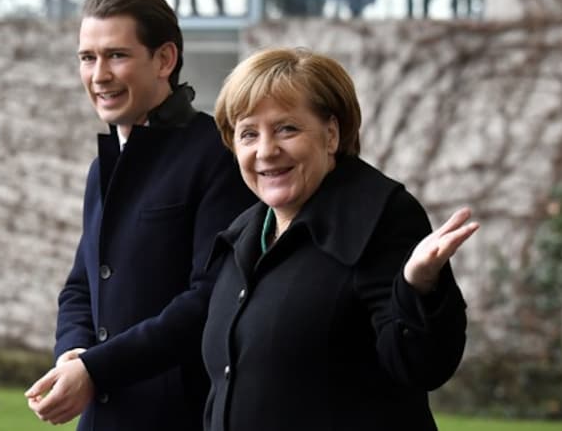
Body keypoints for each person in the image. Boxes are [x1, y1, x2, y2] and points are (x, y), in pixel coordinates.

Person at [201, 47, 479, 431]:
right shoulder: (245, 234)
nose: (266, 151)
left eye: (287, 129)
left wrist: (417, 286)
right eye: (248, 133)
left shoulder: (379, 217)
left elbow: (421, 366)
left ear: (331, 134)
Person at [25, 0, 256, 431]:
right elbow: (80, 287)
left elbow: (210, 298)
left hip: (179, 418)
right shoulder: (103, 168)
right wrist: (72, 355)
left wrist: (96, 369)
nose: (99, 75)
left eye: (116, 55)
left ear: (165, 59)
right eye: (87, 58)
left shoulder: (218, 156)